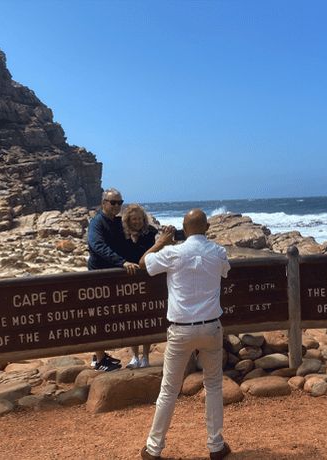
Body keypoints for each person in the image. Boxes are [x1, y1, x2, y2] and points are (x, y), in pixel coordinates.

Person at [138, 209, 232, 460]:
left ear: (183, 227)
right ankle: (215, 445)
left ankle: (153, 448)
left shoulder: (172, 253)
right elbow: (224, 270)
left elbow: (143, 264)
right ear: (208, 227)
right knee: (213, 386)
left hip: (180, 329)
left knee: (169, 390)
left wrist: (161, 242)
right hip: (211, 325)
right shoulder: (218, 251)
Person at [86, 188, 139, 372]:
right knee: (99, 317)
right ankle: (100, 360)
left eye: (119, 202)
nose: (117, 206)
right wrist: (123, 262)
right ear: (103, 203)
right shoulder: (97, 223)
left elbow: (140, 233)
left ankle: (99, 355)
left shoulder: (117, 223)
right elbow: (98, 246)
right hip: (98, 277)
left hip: (112, 276)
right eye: (113, 202)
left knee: (107, 315)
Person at [121, 204, 158, 368]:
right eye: (133, 219)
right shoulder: (122, 235)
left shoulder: (151, 232)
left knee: (147, 319)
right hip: (129, 280)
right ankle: (134, 356)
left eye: (139, 219)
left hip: (147, 279)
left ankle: (146, 358)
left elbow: (155, 252)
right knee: (132, 319)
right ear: (128, 220)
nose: (137, 222)